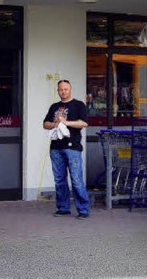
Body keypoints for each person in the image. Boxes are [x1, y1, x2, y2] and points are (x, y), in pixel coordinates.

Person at [43, 80, 90, 219]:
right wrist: (54, 124)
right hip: (56, 148)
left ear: (70, 89)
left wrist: (66, 122)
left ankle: (83, 210)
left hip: (73, 147)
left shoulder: (79, 105)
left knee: (76, 179)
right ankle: (63, 208)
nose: (63, 92)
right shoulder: (54, 106)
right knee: (59, 180)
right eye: (60, 89)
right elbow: (45, 124)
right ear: (58, 90)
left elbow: (84, 123)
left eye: (65, 89)